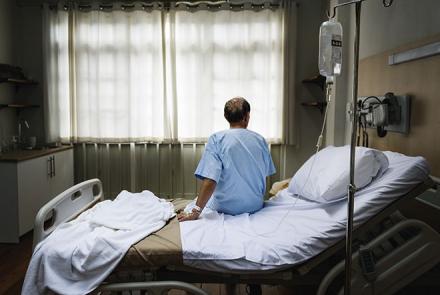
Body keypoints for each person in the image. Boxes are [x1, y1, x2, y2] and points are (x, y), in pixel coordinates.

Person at [178, 97, 276, 222]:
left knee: (202, 200)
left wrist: (196, 211)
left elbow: (210, 180)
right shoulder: (260, 140)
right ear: (247, 116)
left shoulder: (217, 139)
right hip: (255, 206)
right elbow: (264, 174)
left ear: (225, 116)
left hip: (225, 208)